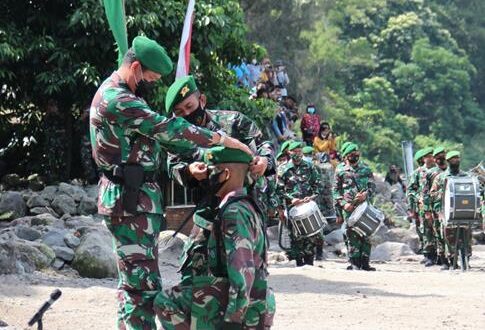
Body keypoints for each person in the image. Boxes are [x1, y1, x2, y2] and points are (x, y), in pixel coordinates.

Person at [89, 36, 251, 330]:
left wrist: (200, 157)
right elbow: (166, 129)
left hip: (136, 199)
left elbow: (156, 145)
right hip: (130, 200)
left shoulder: (123, 95)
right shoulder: (118, 99)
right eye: (149, 77)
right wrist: (221, 140)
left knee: (138, 286)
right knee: (141, 290)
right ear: (136, 67)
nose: (150, 83)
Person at [155, 147, 275, 329]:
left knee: (166, 302)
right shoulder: (243, 204)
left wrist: (233, 320)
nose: (206, 176)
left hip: (244, 308)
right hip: (253, 301)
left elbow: (242, 271)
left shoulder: (234, 212)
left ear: (225, 174)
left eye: (212, 170)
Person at [164, 75, 275, 217]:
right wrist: (189, 171)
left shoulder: (234, 121)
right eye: (179, 112)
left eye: (189, 107)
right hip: (207, 209)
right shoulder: (177, 137)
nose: (187, 114)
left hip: (248, 205)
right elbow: (173, 166)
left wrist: (265, 160)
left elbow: (264, 145)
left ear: (202, 100)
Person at [277, 141, 325, 266]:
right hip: (293, 208)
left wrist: (312, 196)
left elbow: (318, 185)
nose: (298, 154)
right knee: (296, 237)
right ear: (289, 152)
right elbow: (278, 190)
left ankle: (310, 262)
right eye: (295, 152)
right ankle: (299, 263)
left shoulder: (309, 166)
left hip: (308, 206)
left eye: (300, 151)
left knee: (311, 236)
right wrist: (290, 200)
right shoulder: (283, 169)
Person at [332, 143, 376, 271]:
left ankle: (365, 262)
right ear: (346, 156)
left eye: (356, 154)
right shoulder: (340, 170)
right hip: (349, 207)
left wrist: (366, 195)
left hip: (364, 206)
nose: (355, 156)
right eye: (352, 155)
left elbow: (372, 187)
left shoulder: (366, 169)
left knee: (366, 233)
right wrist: (343, 205)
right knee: (351, 234)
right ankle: (355, 262)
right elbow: (335, 190)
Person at [430, 151, 474, 270]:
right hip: (445, 211)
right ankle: (450, 259)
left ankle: (466, 258)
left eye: (457, 158)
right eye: (453, 159)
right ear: (448, 161)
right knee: (448, 235)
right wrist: (445, 194)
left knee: (466, 234)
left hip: (463, 210)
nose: (456, 161)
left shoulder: (466, 176)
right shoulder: (441, 177)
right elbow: (432, 194)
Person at [422, 146, 448, 268]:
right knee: (439, 233)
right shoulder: (431, 173)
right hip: (437, 208)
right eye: (439, 157)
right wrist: (427, 210)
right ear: (435, 159)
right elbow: (425, 193)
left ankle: (454, 258)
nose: (441, 159)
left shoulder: (453, 171)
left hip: (451, 208)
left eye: (443, 156)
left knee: (451, 233)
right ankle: (442, 259)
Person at [417, 147, 437, 266]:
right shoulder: (419, 172)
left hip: (438, 204)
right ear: (424, 159)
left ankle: (440, 256)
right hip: (424, 205)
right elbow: (412, 189)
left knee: (438, 230)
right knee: (427, 230)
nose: (431, 158)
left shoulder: (439, 171)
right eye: (428, 156)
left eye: (432, 156)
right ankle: (429, 255)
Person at [406, 148, 426, 253]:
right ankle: (426, 249)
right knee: (422, 229)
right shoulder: (416, 174)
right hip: (421, 206)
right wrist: (412, 208)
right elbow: (410, 191)